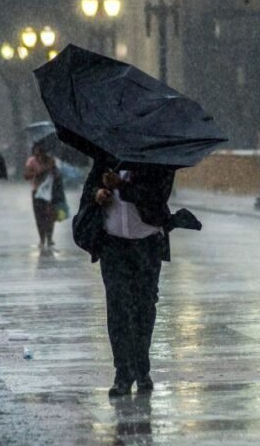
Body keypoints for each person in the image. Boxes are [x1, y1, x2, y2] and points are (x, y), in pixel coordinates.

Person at [75, 157, 200, 398]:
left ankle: (142, 368)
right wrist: (98, 193)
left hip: (148, 243)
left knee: (144, 306)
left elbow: (157, 198)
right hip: (112, 244)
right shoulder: (107, 153)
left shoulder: (159, 158)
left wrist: (122, 186)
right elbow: (89, 189)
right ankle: (123, 374)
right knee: (118, 307)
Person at [23, 143, 64, 251]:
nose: (38, 152)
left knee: (50, 215)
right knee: (39, 216)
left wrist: (52, 168)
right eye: (36, 149)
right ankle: (42, 238)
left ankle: (49, 238)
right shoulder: (32, 161)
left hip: (50, 193)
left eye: (40, 149)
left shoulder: (51, 160)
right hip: (37, 192)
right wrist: (40, 172)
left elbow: (58, 175)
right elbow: (26, 176)